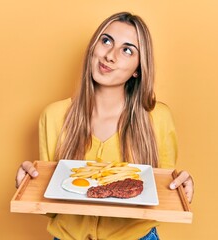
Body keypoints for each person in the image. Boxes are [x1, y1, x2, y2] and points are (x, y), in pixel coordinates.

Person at [16, 12, 194, 240]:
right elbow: (53, 208)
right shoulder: (53, 116)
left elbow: (162, 196)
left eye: (127, 49)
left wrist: (182, 188)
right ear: (93, 47)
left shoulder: (158, 118)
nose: (110, 56)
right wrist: (30, 186)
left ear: (138, 68)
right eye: (106, 41)